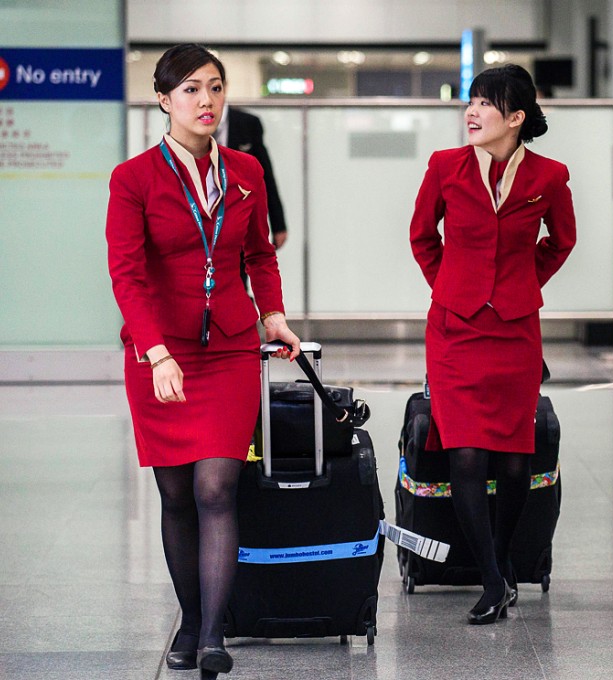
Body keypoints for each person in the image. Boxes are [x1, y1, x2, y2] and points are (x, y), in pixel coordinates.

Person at [106, 43, 300, 676]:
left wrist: (272, 313)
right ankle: (190, 618)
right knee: (176, 494)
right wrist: (156, 351)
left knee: (217, 485)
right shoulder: (133, 178)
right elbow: (128, 274)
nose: (207, 100)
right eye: (191, 89)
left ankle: (213, 635)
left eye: (215, 87)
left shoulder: (245, 169)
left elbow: (260, 254)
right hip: (161, 351)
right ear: (164, 100)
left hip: (230, 349)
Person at [409, 64, 576, 625]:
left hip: (514, 330)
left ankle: (502, 562)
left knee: (512, 461)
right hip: (455, 330)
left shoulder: (549, 176)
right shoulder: (445, 166)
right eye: (471, 101)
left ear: (516, 117)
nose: (472, 112)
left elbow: (562, 240)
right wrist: (452, 285)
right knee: (464, 454)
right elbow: (420, 236)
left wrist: (523, 283)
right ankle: (489, 579)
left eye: (486, 103)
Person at [216, 102, 288, 249]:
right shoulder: (188, 122)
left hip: (239, 222)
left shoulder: (248, 123)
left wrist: (278, 223)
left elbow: (265, 176)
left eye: (215, 88)